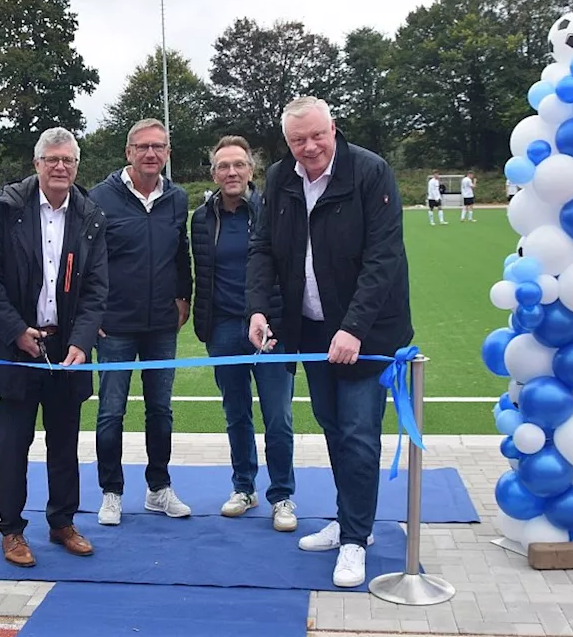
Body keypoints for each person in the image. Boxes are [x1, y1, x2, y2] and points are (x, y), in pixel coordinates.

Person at [246, 96, 413, 588]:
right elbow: (263, 247)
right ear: (287, 142)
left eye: (317, 135)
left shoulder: (370, 172)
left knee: (360, 435)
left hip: (369, 333)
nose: (309, 146)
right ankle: (348, 519)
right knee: (335, 430)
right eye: (298, 140)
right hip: (312, 331)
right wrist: (258, 307)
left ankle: (356, 541)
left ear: (333, 129)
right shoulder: (279, 178)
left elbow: (384, 257)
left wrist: (355, 328)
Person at [0, 127, 108, 568]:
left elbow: (95, 289)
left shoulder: (90, 215)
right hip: (17, 348)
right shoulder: (7, 208)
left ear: (76, 165)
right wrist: (16, 331)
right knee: (12, 445)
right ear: (37, 164)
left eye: (67, 160)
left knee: (64, 443)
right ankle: (11, 530)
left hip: (65, 349)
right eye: (52, 159)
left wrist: (82, 343)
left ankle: (62, 522)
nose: (60, 167)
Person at [88, 118, 194, 526]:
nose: (152, 154)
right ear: (128, 152)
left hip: (161, 326)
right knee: (111, 412)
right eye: (143, 147)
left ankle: (158, 488)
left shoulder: (178, 198)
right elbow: (86, 261)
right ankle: (111, 492)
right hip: (114, 324)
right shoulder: (99, 197)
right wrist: (91, 313)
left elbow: (181, 252)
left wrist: (184, 296)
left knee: (160, 411)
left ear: (167, 153)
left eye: (160, 147)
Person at [190, 135, 297, 531]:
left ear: (251, 169)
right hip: (223, 330)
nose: (231, 172)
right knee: (236, 414)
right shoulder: (202, 217)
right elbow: (200, 272)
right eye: (223, 166)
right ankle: (244, 487)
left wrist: (277, 319)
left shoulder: (274, 210)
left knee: (278, 417)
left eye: (238, 165)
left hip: (270, 329)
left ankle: (282, 495)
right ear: (214, 173)